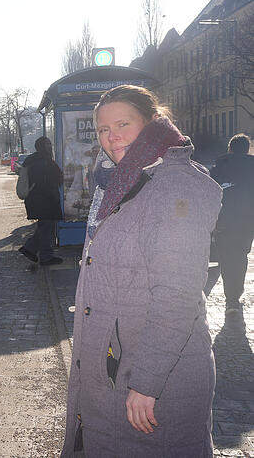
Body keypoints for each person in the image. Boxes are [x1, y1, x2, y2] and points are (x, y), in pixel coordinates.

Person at [61, 85, 221, 456]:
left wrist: (147, 383)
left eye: (122, 124)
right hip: (118, 369)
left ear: (151, 123)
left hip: (154, 380)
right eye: (102, 129)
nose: (110, 136)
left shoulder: (172, 186)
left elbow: (178, 296)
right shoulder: (120, 180)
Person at [209, 133, 254, 313]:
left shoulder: (219, 167)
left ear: (230, 148)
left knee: (226, 258)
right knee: (240, 257)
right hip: (247, 222)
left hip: (224, 221)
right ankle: (235, 297)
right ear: (247, 149)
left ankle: (230, 300)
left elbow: (210, 195)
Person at [18, 137, 63, 266]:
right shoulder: (41, 161)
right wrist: (53, 197)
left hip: (39, 200)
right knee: (46, 228)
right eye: (47, 144)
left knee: (45, 227)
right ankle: (45, 256)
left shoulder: (37, 159)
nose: (50, 146)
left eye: (50, 143)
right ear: (41, 146)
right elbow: (44, 182)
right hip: (43, 200)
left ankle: (29, 248)